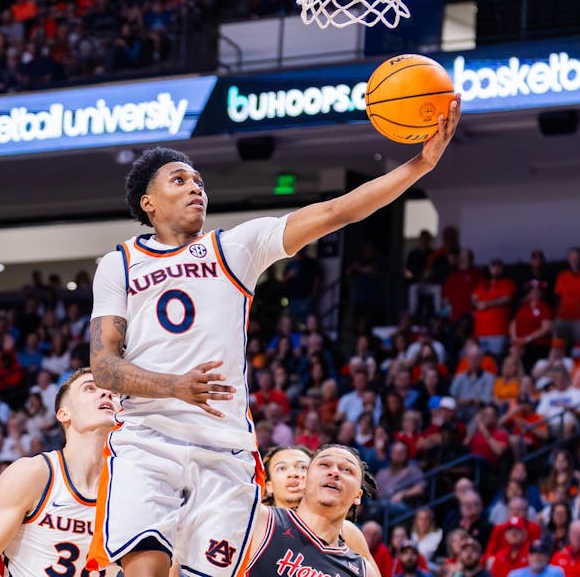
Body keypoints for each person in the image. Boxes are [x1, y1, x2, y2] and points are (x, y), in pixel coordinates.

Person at [87, 106, 461, 577]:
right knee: (147, 571)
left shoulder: (235, 247)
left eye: (199, 181)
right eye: (179, 180)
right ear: (148, 202)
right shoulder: (119, 263)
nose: (196, 187)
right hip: (148, 440)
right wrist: (174, 386)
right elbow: (103, 366)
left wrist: (421, 164)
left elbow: (338, 210)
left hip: (224, 450)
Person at [0, 368, 119, 577]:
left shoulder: (134, 488)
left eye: (114, 392)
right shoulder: (34, 473)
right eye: (90, 388)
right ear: (64, 414)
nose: (106, 393)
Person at [244, 445, 372, 577]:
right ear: (304, 481)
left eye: (347, 469)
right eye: (324, 464)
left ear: (358, 495)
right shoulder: (258, 519)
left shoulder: (362, 567)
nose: (334, 472)